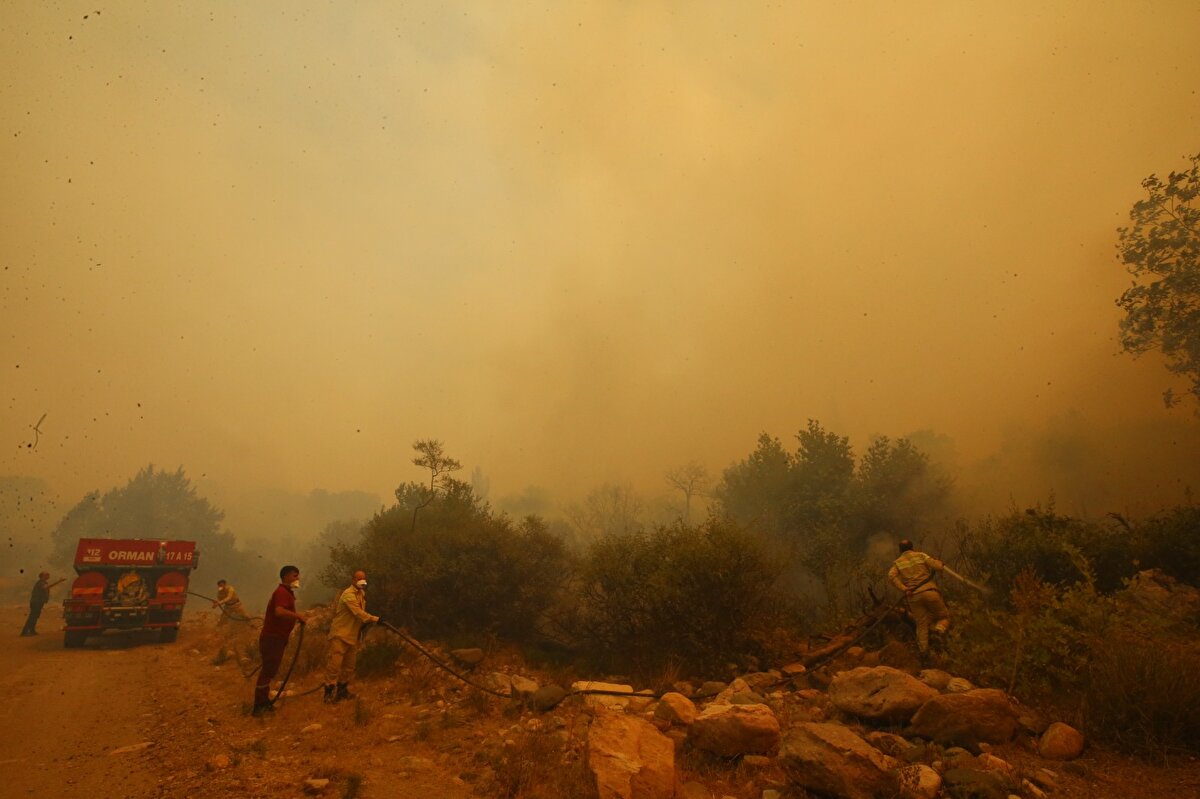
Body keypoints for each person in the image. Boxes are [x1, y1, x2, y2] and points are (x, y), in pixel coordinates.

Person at [253, 565, 307, 716]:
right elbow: (279, 611)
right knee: (268, 671)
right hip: (273, 638)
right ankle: (259, 706)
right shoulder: (282, 592)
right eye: (295, 576)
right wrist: (298, 616)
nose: (297, 579)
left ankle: (263, 703)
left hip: (277, 638)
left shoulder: (286, 593)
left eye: (298, 576)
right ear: (286, 577)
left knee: (270, 670)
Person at [888, 539, 951, 660]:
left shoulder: (898, 563)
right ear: (912, 547)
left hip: (913, 597)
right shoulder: (921, 555)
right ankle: (938, 631)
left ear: (900, 550)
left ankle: (924, 653)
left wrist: (904, 589)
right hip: (929, 592)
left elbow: (891, 576)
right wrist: (939, 563)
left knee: (921, 625)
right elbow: (937, 566)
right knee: (944, 617)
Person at [323, 569, 379, 704]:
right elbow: (358, 612)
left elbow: (360, 614)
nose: (362, 581)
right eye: (359, 578)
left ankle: (342, 691)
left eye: (363, 578)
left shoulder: (361, 594)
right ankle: (329, 694)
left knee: (349, 666)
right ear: (353, 580)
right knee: (334, 665)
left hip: (353, 636)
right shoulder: (348, 594)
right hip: (340, 634)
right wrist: (374, 619)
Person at [20, 571, 64, 636]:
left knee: (35, 617)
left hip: (38, 602)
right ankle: (25, 631)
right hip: (36, 602)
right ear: (42, 576)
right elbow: (46, 587)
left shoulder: (42, 582)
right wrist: (58, 581)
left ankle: (31, 630)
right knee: (33, 617)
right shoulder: (40, 583)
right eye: (46, 575)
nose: (48, 575)